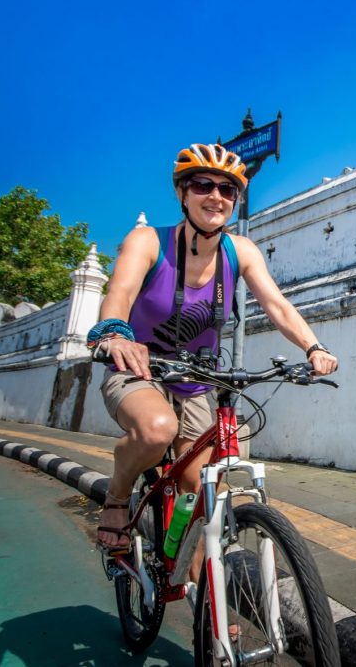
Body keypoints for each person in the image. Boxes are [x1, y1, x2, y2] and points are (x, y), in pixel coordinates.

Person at [90, 143, 338, 550]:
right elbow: (120, 291)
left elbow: (277, 305)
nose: (216, 197)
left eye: (228, 190)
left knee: (204, 494)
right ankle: (117, 496)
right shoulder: (148, 241)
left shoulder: (240, 251)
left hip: (197, 379)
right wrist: (115, 334)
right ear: (182, 193)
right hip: (138, 368)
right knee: (157, 430)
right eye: (203, 185)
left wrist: (314, 347)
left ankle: (208, 608)